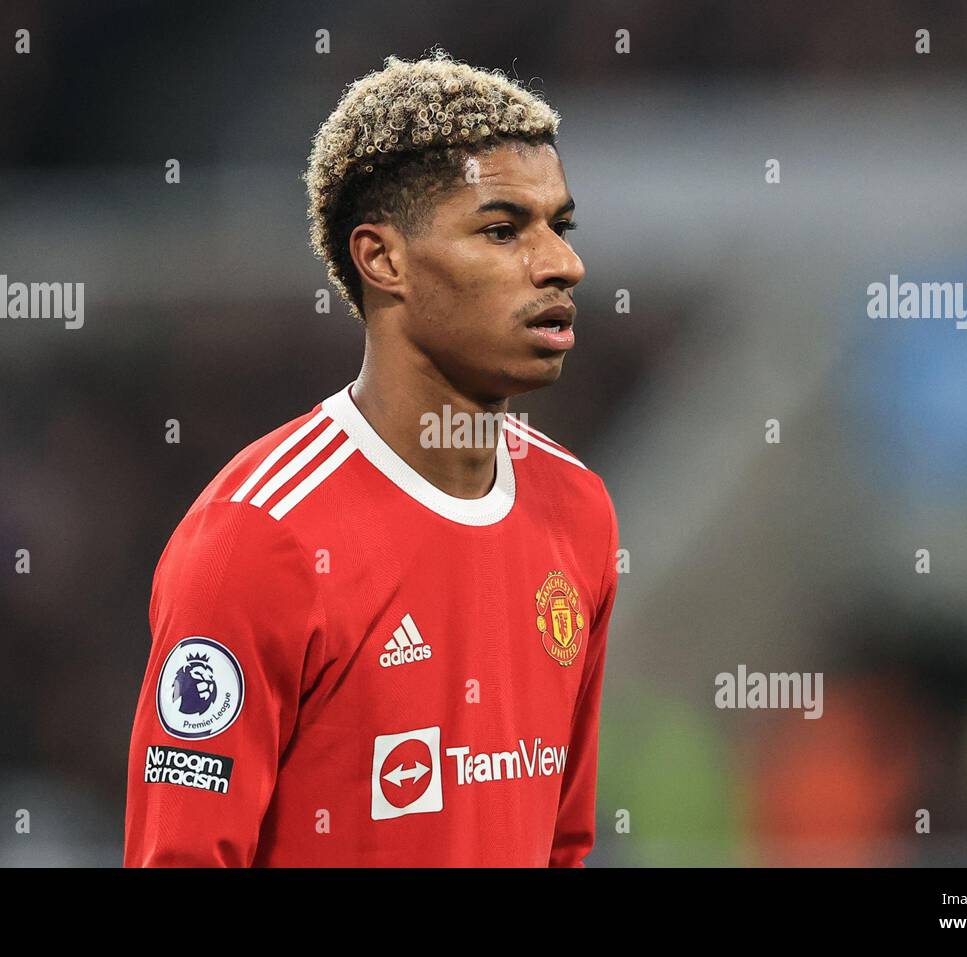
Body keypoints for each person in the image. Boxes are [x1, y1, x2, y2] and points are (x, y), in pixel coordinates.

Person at [124, 48, 618, 866]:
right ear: (382, 260)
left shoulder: (579, 508)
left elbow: (561, 842)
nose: (563, 264)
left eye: (558, 227)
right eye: (503, 230)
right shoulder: (258, 535)